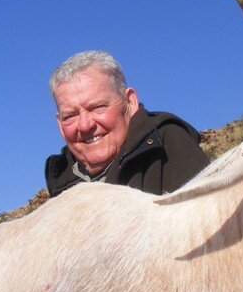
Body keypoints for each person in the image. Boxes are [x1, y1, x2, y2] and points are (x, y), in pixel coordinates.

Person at [45, 51, 209, 197]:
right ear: (59, 125)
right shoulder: (61, 180)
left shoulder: (166, 143)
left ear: (130, 102)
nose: (85, 125)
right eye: (70, 116)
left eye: (97, 107)